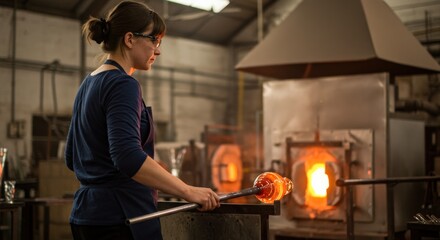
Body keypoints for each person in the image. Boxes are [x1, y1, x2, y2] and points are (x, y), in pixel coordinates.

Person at [64, 1, 220, 240]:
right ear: (129, 39)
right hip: (122, 216)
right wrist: (188, 191)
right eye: (154, 40)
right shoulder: (122, 84)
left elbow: (72, 158)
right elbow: (127, 156)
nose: (158, 50)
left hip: (86, 215)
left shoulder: (88, 83)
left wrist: (154, 172)